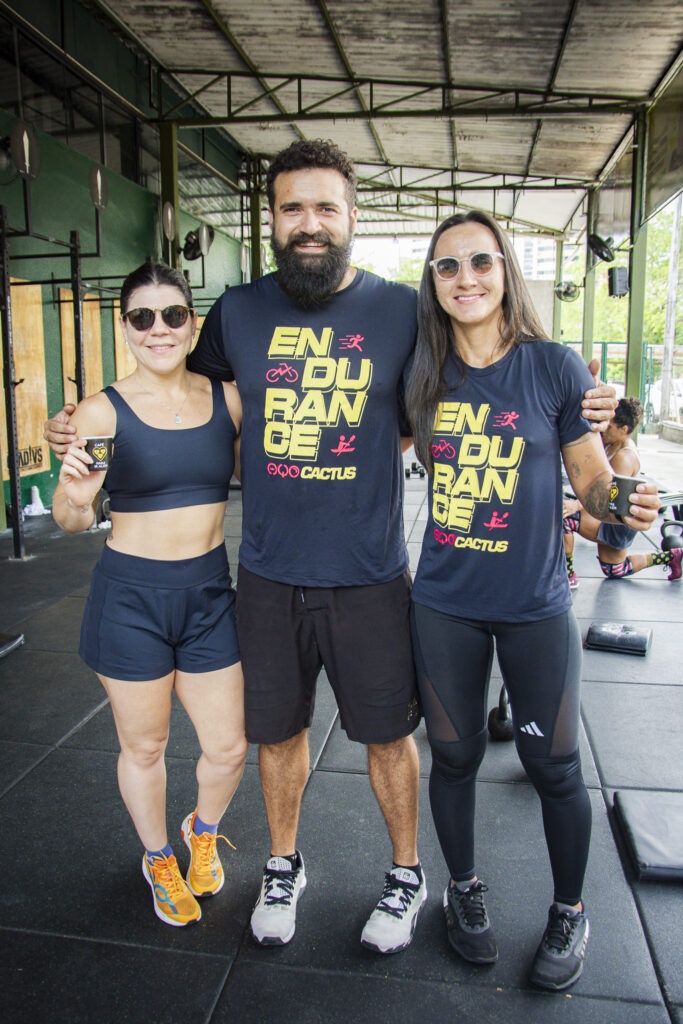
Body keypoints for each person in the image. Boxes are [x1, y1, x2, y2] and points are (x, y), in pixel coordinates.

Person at [44, 140, 621, 955]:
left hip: (371, 578)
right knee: (274, 736)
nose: (308, 224)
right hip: (268, 577)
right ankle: (283, 863)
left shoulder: (400, 312)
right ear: (272, 219)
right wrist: (74, 421)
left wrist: (573, 392)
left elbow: (483, 361)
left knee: (389, 738)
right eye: (291, 209)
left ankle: (404, 874)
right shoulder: (237, 314)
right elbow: (170, 385)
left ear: (352, 217)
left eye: (325, 208)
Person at [405, 211, 660, 991]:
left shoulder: (552, 366)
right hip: (444, 600)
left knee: (554, 766)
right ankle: (464, 889)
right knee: (452, 756)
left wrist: (623, 501)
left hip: (534, 603)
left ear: (506, 270)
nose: (466, 277)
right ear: (434, 283)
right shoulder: (419, 370)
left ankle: (569, 908)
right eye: (447, 266)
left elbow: (589, 481)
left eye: (480, 260)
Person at [52, 262, 247, 928]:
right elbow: (73, 518)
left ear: (192, 322)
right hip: (130, 600)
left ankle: (202, 829)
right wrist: (76, 497)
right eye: (142, 317)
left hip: (208, 595)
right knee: (145, 747)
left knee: (228, 747)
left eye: (172, 315)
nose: (158, 329)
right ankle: (159, 857)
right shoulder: (99, 411)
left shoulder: (229, 399)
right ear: (125, 326)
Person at [563, 397, 681, 584]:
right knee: (616, 569)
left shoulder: (625, 456)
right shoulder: (612, 444)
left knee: (565, 518)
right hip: (612, 515)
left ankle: (568, 576)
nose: (605, 429)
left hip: (618, 519)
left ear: (624, 430)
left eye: (610, 427)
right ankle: (672, 557)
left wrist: (576, 505)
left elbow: (608, 495)